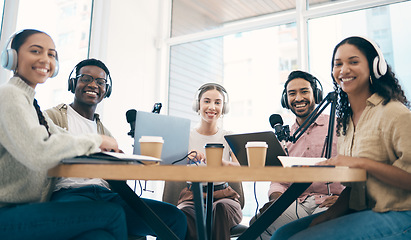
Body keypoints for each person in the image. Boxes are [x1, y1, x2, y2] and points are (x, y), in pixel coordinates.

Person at [271, 36, 411, 240]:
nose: (344, 70)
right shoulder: (346, 122)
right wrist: (329, 216)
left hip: (400, 213)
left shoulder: (393, 113)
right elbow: (353, 188)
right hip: (361, 211)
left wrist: (360, 163)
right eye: (338, 64)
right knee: (282, 235)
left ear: (375, 67)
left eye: (353, 62)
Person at [0, 29, 127, 240]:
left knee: (98, 235)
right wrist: (96, 140)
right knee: (112, 215)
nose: (45, 59)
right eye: (35, 51)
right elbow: (37, 152)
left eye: (51, 54)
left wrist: (102, 145)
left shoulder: (30, 103)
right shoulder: (10, 95)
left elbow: (60, 135)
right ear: (12, 57)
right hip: (7, 212)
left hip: (22, 208)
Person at [45, 58, 187, 239]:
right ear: (73, 83)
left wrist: (125, 163)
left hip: (106, 195)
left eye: (100, 82)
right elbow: (43, 153)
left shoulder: (106, 133)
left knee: (175, 218)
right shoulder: (52, 117)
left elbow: (115, 179)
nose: (93, 85)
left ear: (107, 90)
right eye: (86, 78)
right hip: (69, 194)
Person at [249, 70, 345, 239]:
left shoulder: (338, 126)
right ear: (286, 99)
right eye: (292, 93)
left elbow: (356, 167)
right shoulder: (286, 138)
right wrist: (277, 201)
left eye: (304, 91)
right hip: (298, 204)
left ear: (316, 94)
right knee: (258, 224)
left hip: (332, 201)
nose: (298, 98)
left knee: (315, 231)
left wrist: (345, 199)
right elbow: (279, 180)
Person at [177, 83, 242, 240]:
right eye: (207, 101)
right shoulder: (185, 136)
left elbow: (241, 170)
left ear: (223, 108)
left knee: (219, 209)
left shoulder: (230, 137)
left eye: (217, 103)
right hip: (193, 197)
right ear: (197, 104)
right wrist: (185, 158)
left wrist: (223, 164)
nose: (212, 107)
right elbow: (171, 166)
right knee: (185, 214)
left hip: (224, 197)